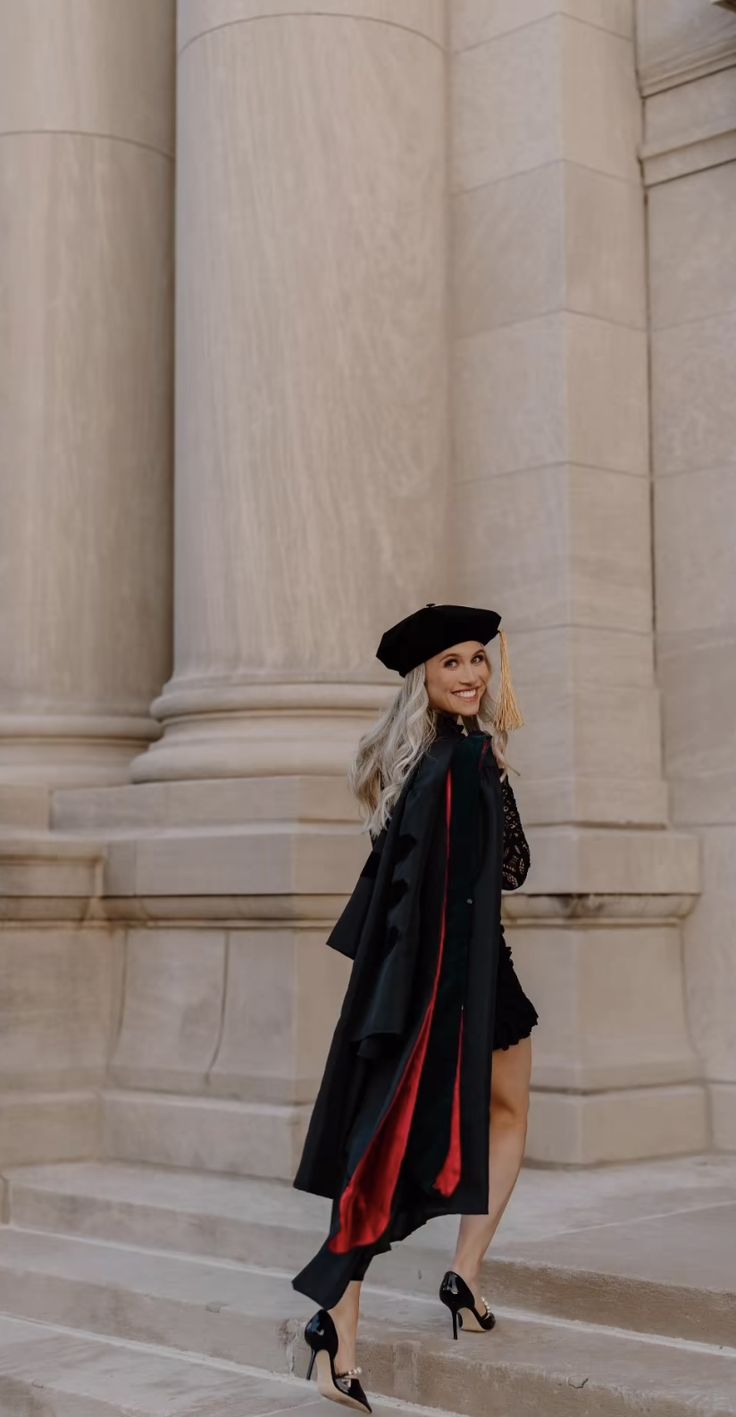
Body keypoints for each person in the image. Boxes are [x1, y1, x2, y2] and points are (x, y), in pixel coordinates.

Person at [292, 602, 538, 1413]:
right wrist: (496, 771)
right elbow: (512, 866)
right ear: (422, 681)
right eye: (451, 664)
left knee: (482, 1114)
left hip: (441, 977)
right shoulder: (464, 761)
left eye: (477, 659)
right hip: (459, 982)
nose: (471, 673)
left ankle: (454, 1279)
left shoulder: (425, 762)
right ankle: (348, 1317)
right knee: (397, 1143)